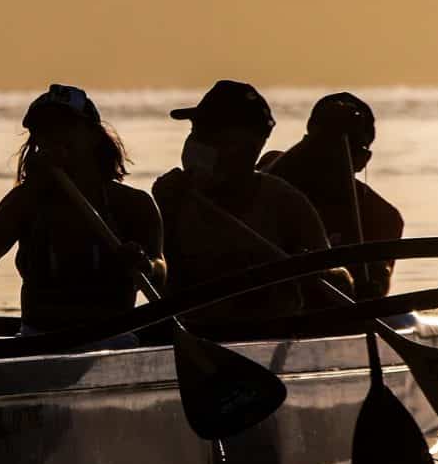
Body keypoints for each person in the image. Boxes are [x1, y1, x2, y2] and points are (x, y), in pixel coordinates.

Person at [149, 80, 349, 332]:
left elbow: (341, 284)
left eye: (210, 133)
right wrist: (160, 215)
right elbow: (159, 283)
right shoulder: (172, 199)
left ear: (249, 145)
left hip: (270, 333)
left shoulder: (285, 203)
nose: (196, 142)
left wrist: (310, 271)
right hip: (193, 334)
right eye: (195, 132)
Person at [0, 84, 165, 334]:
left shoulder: (132, 203)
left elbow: (160, 271)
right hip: (36, 338)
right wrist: (32, 189)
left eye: (65, 126)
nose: (53, 136)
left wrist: (145, 264)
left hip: (113, 339)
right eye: (44, 130)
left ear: (93, 135)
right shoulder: (27, 200)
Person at [259, 92, 406, 303]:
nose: (328, 156)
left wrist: (370, 287)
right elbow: (258, 184)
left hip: (325, 311)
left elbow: (376, 289)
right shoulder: (275, 173)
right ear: (306, 143)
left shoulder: (382, 216)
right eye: (319, 145)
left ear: (362, 160)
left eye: (340, 148)